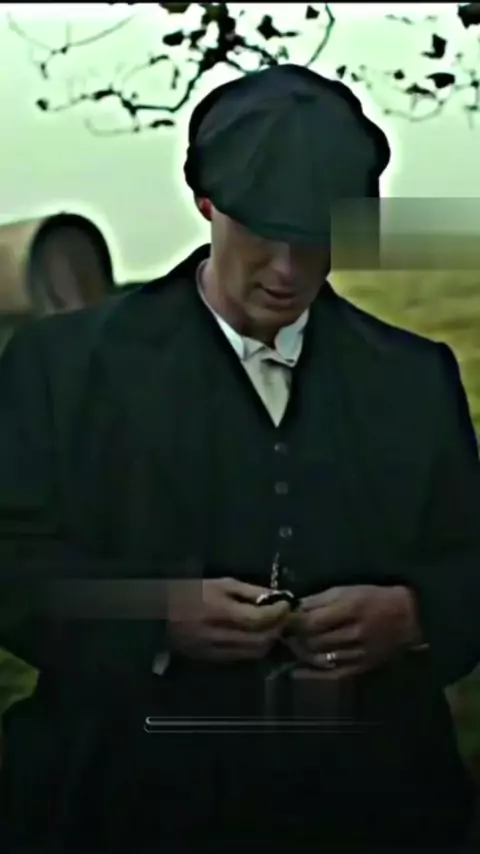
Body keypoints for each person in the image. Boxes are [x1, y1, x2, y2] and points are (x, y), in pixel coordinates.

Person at [0, 63, 479, 854]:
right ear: (205, 202)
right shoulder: (59, 368)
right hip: (123, 806)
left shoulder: (415, 376)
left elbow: (469, 560)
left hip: (375, 812)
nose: (287, 271)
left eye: (316, 239)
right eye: (262, 233)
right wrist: (156, 615)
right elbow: (12, 569)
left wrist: (415, 616)